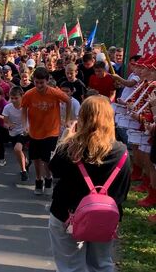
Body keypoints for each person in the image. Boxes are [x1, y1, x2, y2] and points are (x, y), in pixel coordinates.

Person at [48, 95, 130, 272]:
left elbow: (54, 169)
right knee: (101, 263)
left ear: (82, 117)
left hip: (67, 214)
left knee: (70, 265)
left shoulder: (71, 148)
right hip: (105, 216)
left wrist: (66, 137)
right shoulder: (122, 151)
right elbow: (123, 191)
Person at [22, 67, 72, 196]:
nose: (39, 85)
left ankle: (48, 177)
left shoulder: (54, 93)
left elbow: (68, 100)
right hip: (34, 131)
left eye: (41, 83)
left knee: (46, 159)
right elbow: (24, 109)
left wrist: (67, 119)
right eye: (36, 82)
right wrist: (24, 125)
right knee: (36, 159)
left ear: (47, 80)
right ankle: (39, 179)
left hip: (51, 131)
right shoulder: (29, 94)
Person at [2, 86, 29, 181]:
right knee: (18, 152)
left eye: (16, 98)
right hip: (13, 133)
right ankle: (24, 163)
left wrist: (28, 128)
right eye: (11, 98)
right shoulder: (7, 107)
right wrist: (9, 125)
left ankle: (23, 171)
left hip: (25, 131)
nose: (13, 100)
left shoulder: (27, 106)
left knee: (17, 149)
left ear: (22, 96)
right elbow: (4, 122)